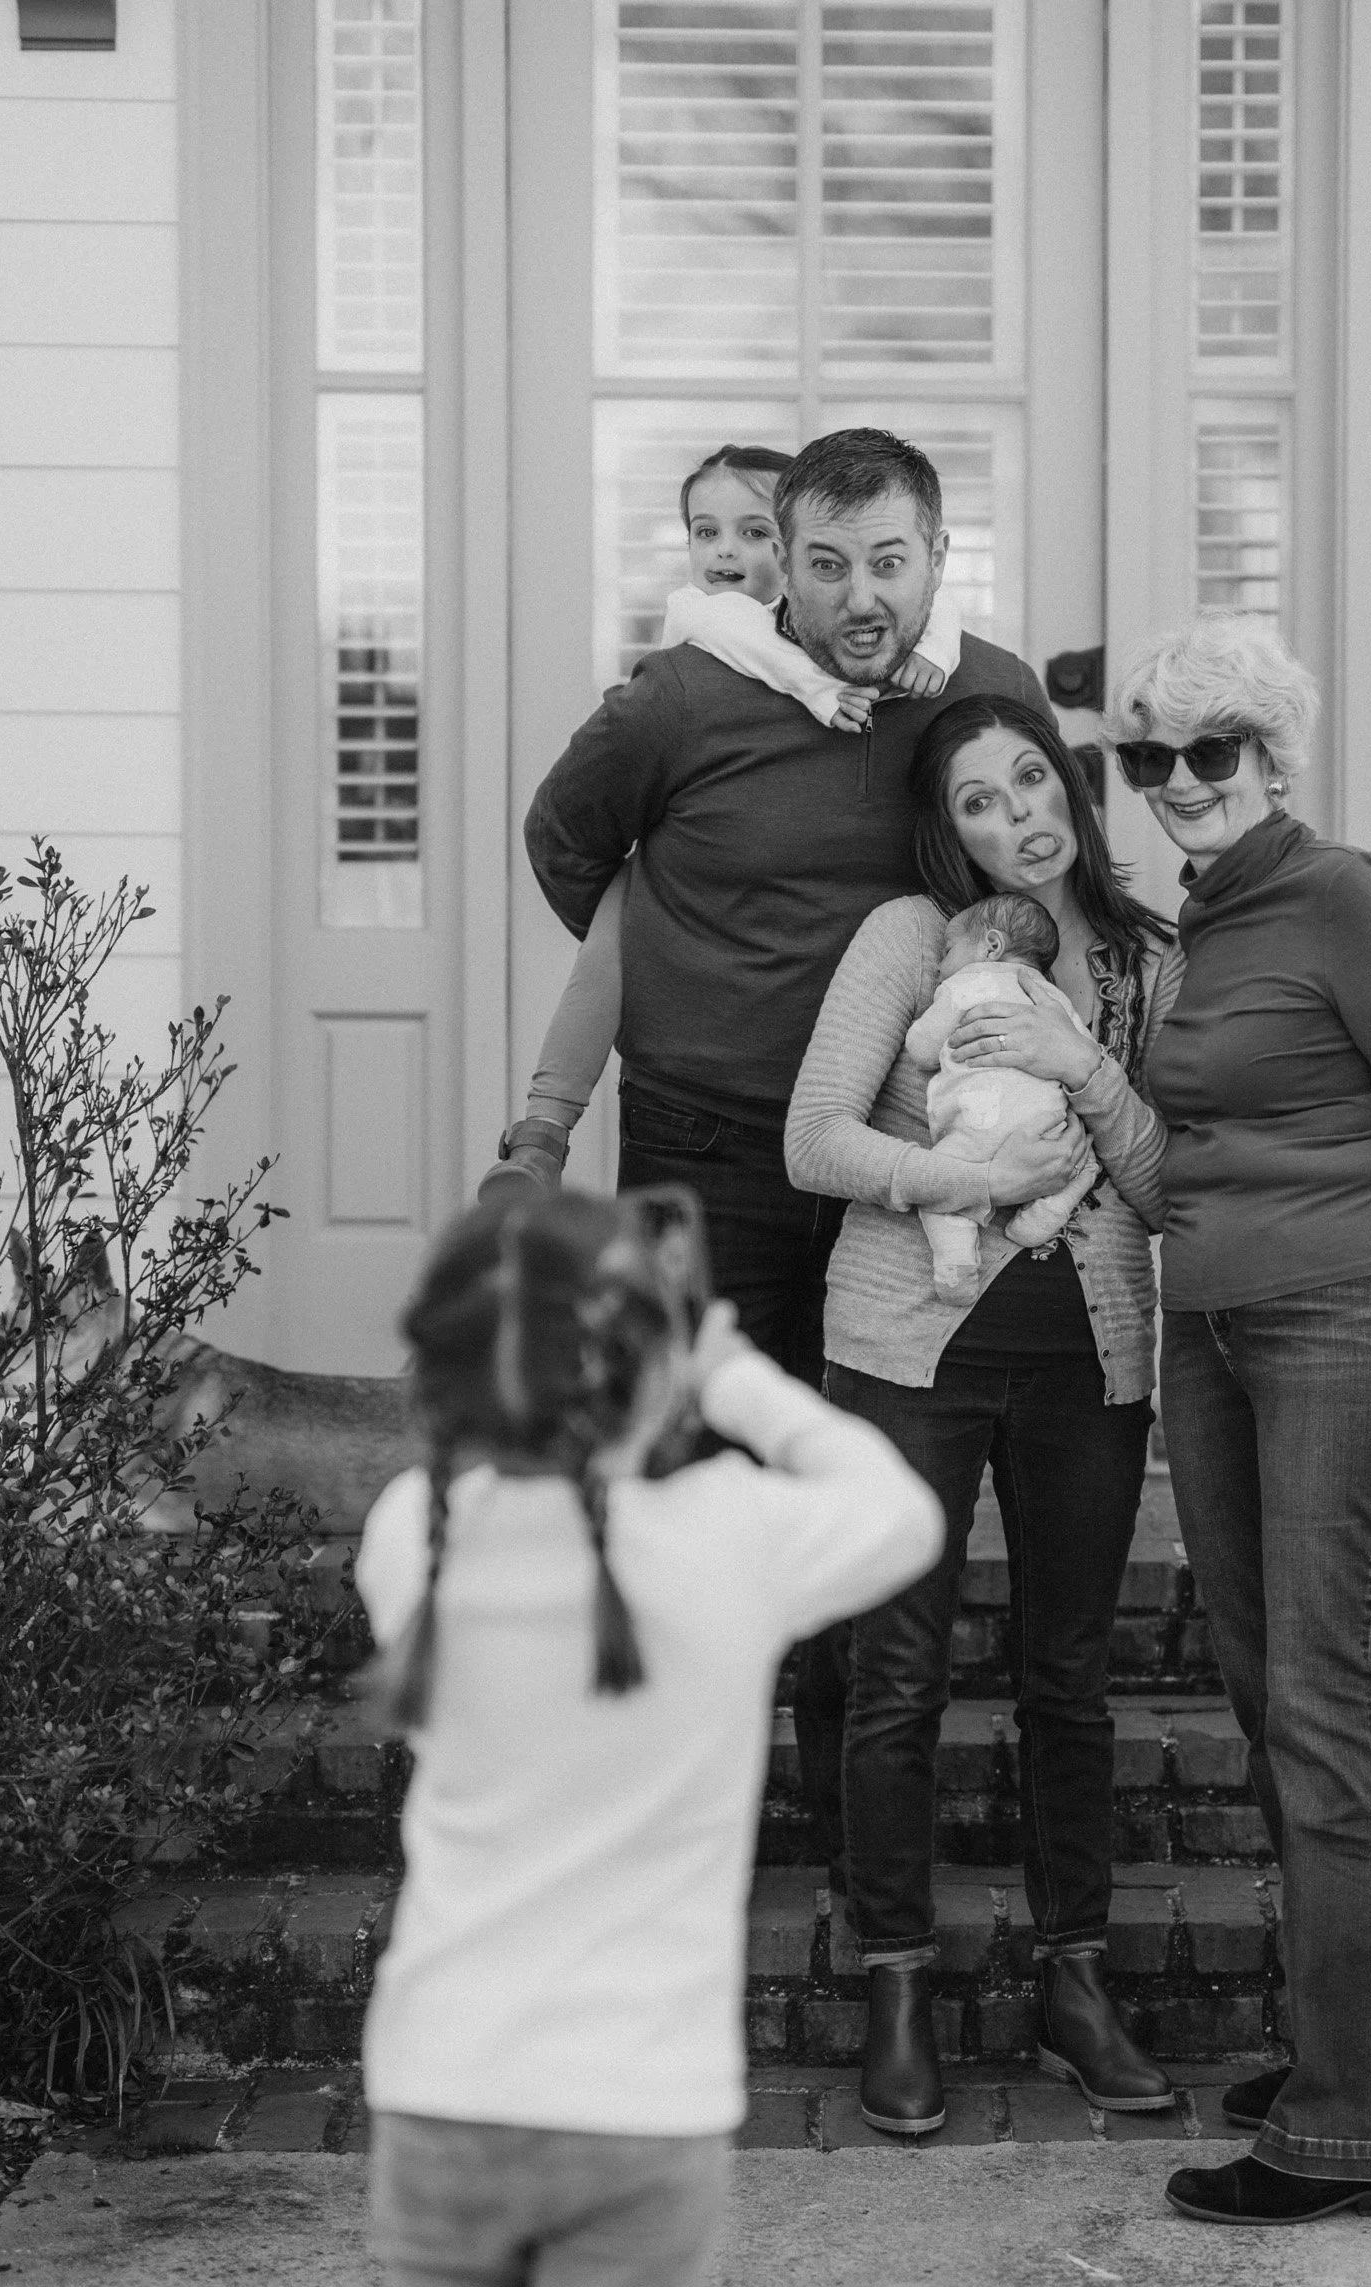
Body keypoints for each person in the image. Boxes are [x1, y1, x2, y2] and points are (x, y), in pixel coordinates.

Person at [330, 1186, 942, 2287]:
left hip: (441, 2089)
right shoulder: (733, 1539)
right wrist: (732, 1371)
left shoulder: (413, 1534)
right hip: (635, 2118)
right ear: (647, 1367)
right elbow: (899, 1506)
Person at [522, 427, 1045, 1886]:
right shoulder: (683, 698)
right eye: (826, 565)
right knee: (689, 1473)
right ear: (784, 570)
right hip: (706, 1153)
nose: (859, 596)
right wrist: (697, 969)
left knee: (855, 1478)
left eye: (888, 562)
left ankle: (837, 1813)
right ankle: (683, 1812)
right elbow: (567, 845)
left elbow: (1034, 869)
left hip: (893, 1160)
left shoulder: (987, 696)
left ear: (937, 559)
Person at [1099, 611, 1371, 2231]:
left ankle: (1353, 2129)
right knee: (1277, 1697)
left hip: (1345, 1326)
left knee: (1330, 1708)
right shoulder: (1204, 920)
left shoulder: (1340, 895)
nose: (1176, 779)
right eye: (1149, 755)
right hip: (1212, 1335)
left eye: (1209, 749)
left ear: (1271, 758)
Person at [785, 695, 1180, 2136]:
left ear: (1068, 785)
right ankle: (897, 1979)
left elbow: (1166, 1187)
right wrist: (969, 1185)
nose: (1017, 815)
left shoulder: (1145, 961)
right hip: (909, 1350)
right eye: (976, 799)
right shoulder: (912, 938)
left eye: (1030, 780)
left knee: (1067, 1679)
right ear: (946, 829)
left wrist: (1083, 1069)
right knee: (895, 1672)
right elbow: (813, 1139)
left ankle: (1076, 1982)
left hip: (1089, 1358)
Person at [487, 442, 961, 1200]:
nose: (725, 553)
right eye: (705, 532)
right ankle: (543, 1132)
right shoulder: (693, 657)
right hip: (703, 1121)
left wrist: (928, 649)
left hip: (903, 1117)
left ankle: (544, 1128)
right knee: (608, 956)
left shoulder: (971, 673)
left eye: (752, 532)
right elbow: (563, 836)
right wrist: (677, 953)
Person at [901, 890, 1101, 1295]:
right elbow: (1087, 1054)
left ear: (991, 946)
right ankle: (1044, 1214)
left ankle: (956, 1265)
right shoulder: (1052, 997)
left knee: (940, 1187)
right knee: (1086, 1164)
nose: (939, 964)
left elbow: (921, 1050)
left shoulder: (965, 984)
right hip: (1046, 1126)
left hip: (977, 1126)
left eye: (948, 950)